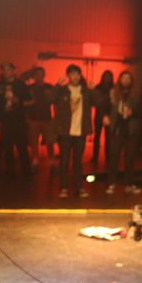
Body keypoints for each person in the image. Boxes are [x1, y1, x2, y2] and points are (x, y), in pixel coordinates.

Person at [54, 64, 92, 198]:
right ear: (68, 76)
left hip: (80, 131)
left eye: (77, 74)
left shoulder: (85, 91)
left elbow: (97, 102)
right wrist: (57, 86)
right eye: (72, 74)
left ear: (80, 75)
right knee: (64, 161)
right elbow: (49, 99)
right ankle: (64, 188)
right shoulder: (62, 90)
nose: (75, 76)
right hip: (65, 131)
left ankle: (79, 187)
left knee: (78, 161)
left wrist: (92, 90)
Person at [105, 70, 141, 195]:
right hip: (117, 128)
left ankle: (129, 184)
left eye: (128, 78)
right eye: (123, 78)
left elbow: (141, 109)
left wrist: (132, 111)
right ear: (119, 79)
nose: (125, 80)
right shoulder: (114, 93)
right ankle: (111, 183)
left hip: (130, 129)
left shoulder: (135, 94)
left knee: (130, 158)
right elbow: (105, 106)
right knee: (114, 157)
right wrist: (105, 116)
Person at [0, 62, 32, 178]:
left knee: (22, 147)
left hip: (18, 120)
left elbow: (30, 101)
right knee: (7, 148)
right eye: (4, 69)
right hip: (5, 121)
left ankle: (26, 172)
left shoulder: (21, 85)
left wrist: (18, 101)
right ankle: (10, 172)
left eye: (8, 69)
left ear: (14, 71)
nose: (6, 72)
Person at [22, 66, 56, 169]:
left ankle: (51, 160)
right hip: (33, 119)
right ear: (34, 76)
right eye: (37, 74)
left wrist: (55, 117)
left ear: (44, 75)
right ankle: (35, 159)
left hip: (47, 119)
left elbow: (55, 101)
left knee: (50, 141)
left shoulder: (49, 87)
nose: (39, 76)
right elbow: (23, 102)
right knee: (33, 142)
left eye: (41, 74)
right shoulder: (29, 88)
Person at [90, 70, 114, 165]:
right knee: (97, 136)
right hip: (100, 114)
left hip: (108, 115)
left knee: (108, 137)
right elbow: (95, 101)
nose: (107, 78)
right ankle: (96, 156)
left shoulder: (112, 88)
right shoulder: (99, 87)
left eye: (109, 76)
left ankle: (106, 156)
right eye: (106, 76)